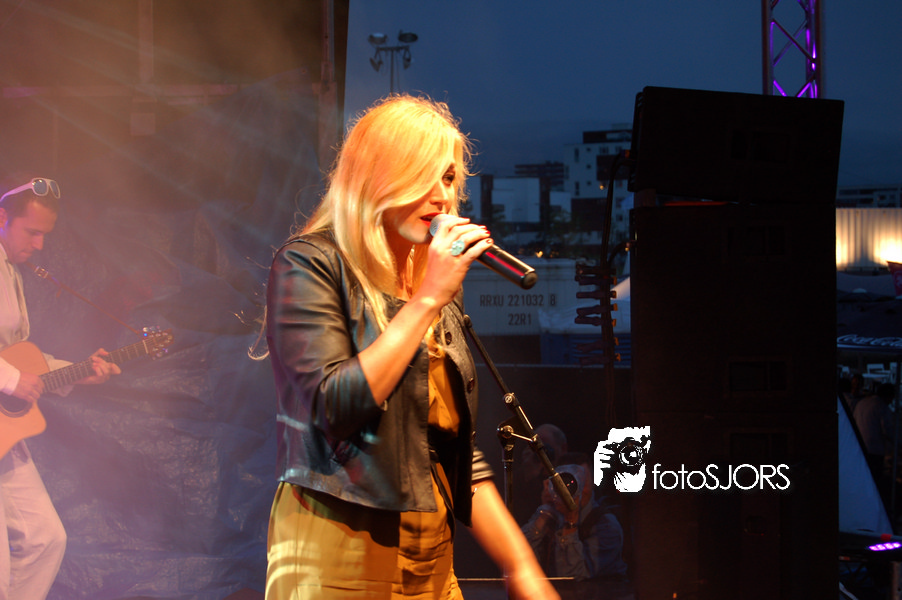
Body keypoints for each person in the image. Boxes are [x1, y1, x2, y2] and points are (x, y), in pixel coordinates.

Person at [263, 96, 559, 599]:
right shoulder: (311, 264)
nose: (441, 196)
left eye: (447, 178)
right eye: (420, 175)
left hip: (431, 550)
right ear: (374, 179)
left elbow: (449, 448)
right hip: (337, 546)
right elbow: (333, 405)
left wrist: (520, 563)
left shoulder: (433, 286)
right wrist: (426, 301)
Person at [0, 177, 121, 599]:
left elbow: (21, 359)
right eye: (31, 232)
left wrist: (78, 371)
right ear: (2, 218)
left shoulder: (10, 273)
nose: (39, 245)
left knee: (46, 539)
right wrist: (12, 381)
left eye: (45, 235)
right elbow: (14, 374)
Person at [521, 460, 629, 584]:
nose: (577, 489)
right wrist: (546, 511)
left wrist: (570, 521)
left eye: (582, 481)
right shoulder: (551, 518)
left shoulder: (606, 525)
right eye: (564, 482)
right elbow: (517, 559)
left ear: (593, 484)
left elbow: (572, 577)